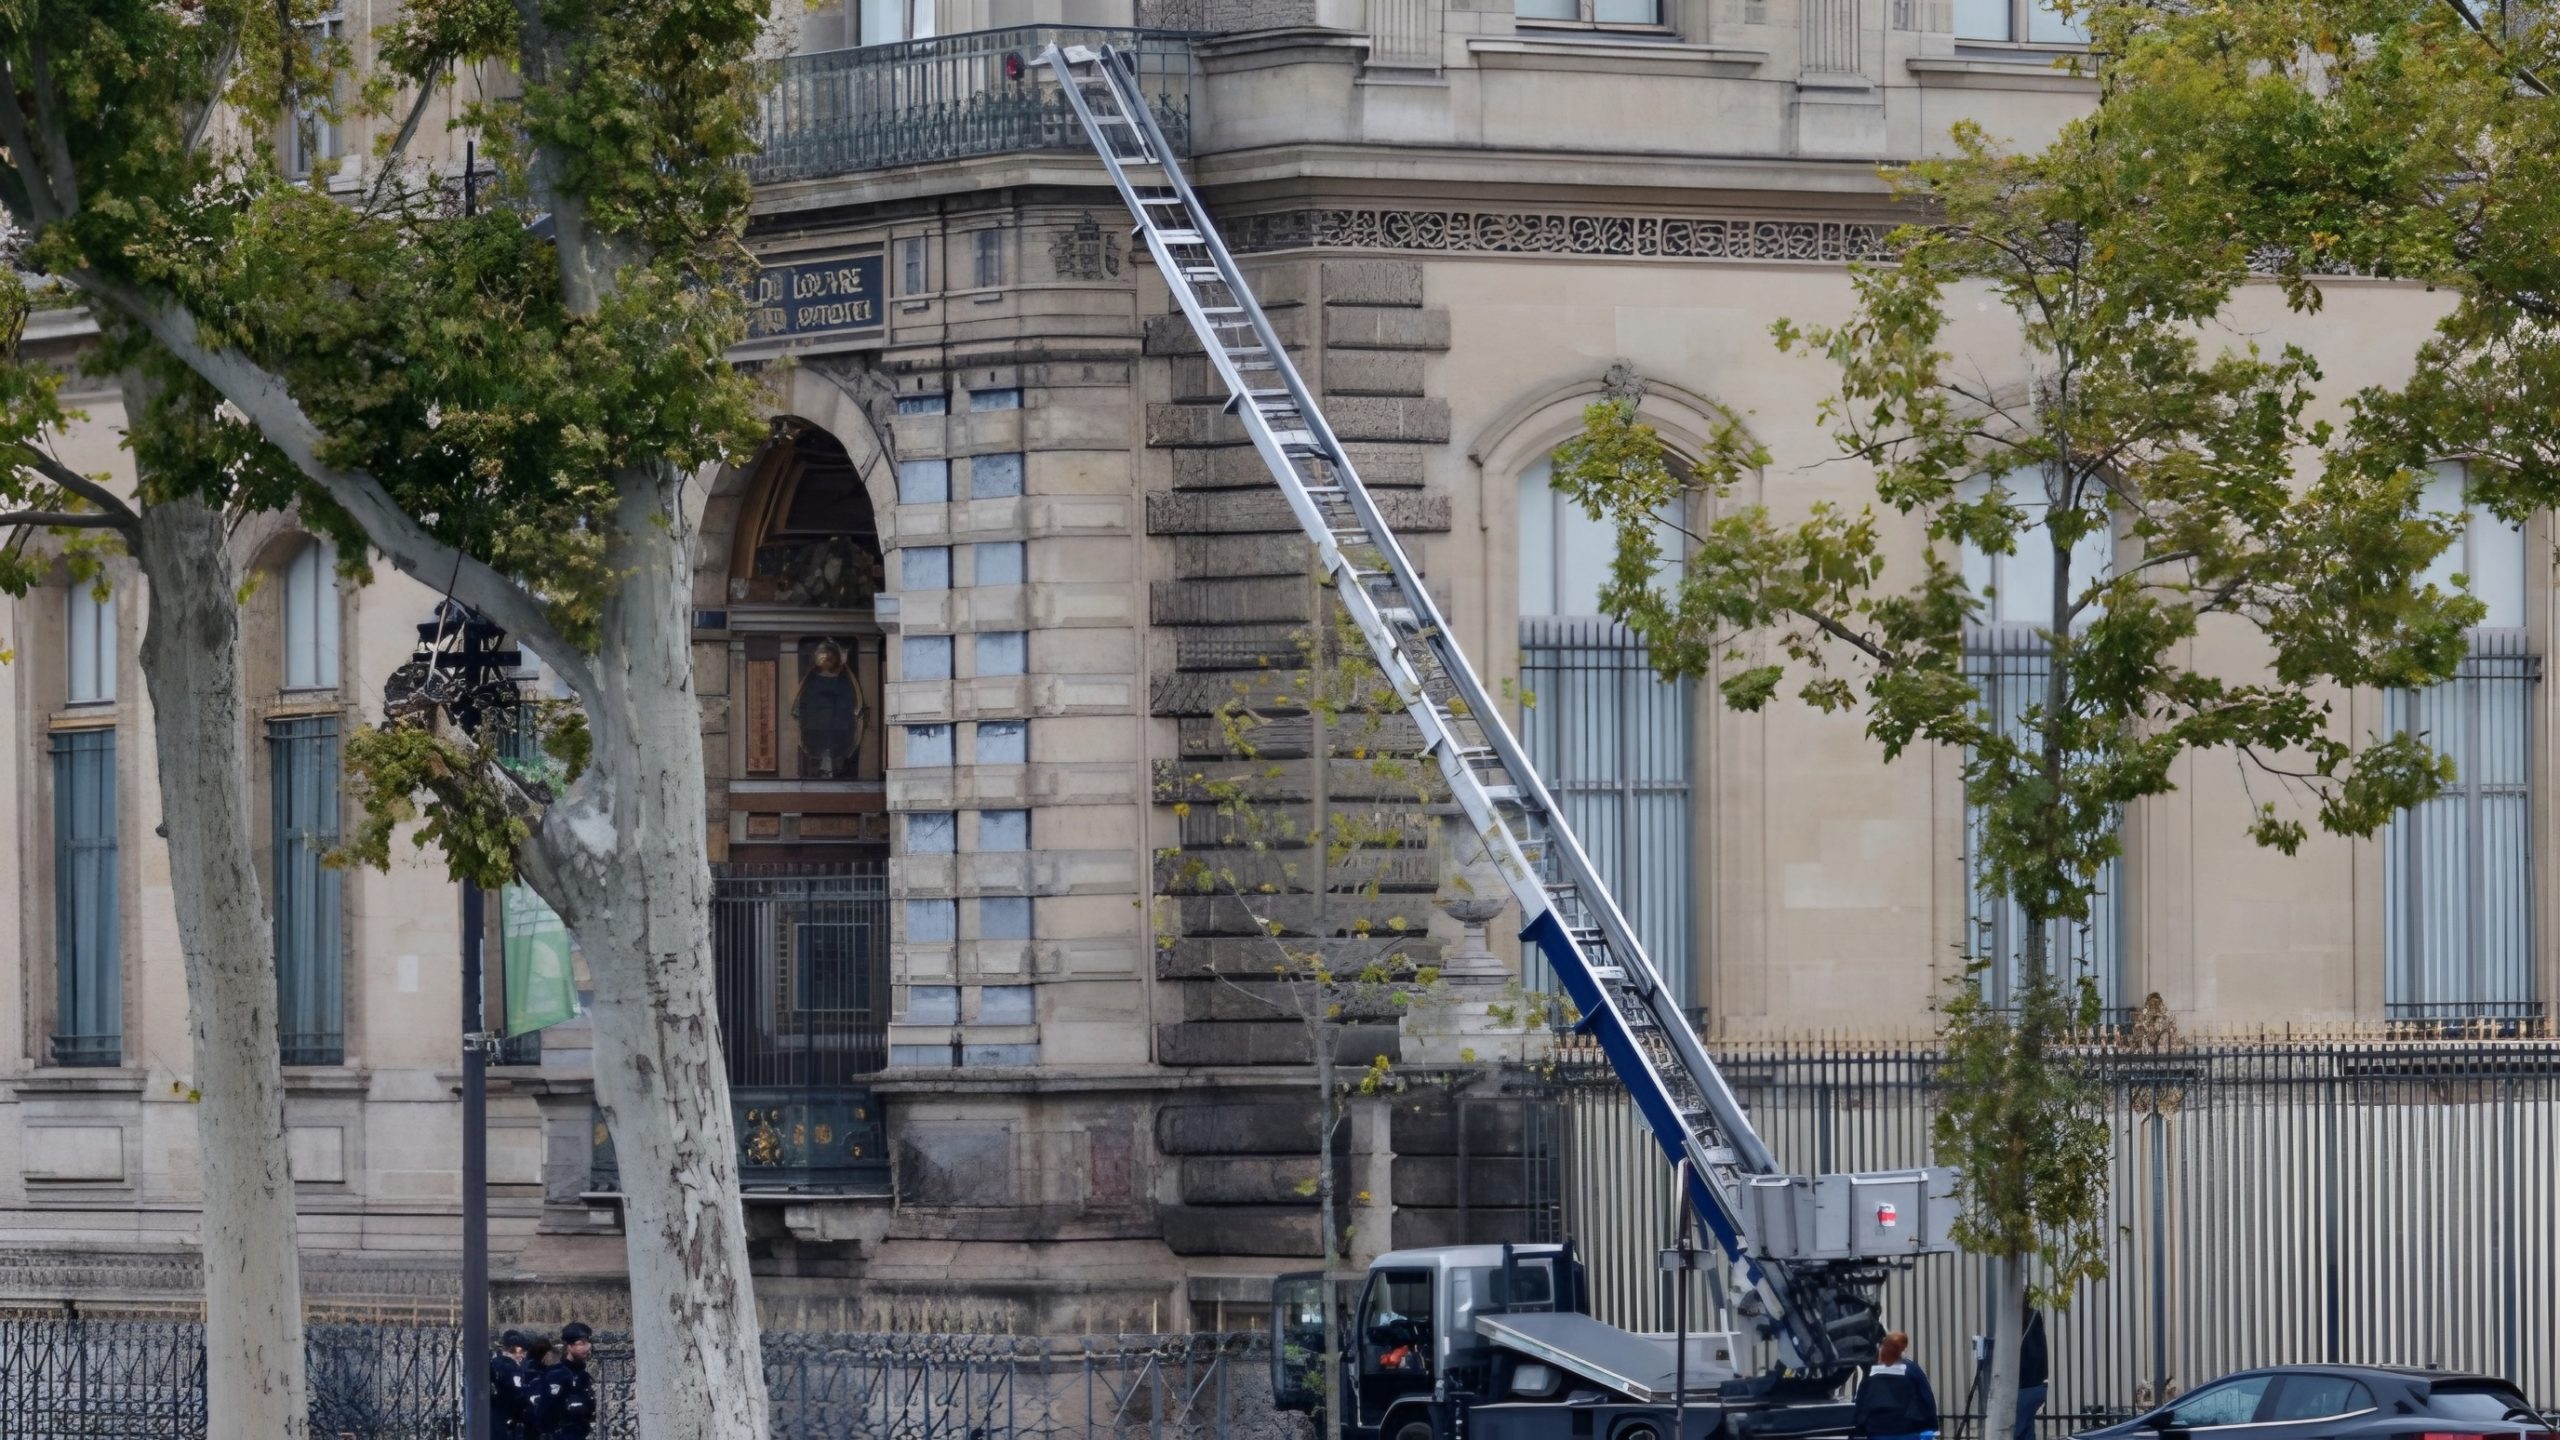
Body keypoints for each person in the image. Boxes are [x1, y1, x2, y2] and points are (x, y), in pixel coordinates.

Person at [1853, 1331, 1941, 1440]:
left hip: (1878, 1430)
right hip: (1909, 1430)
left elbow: (1861, 1402)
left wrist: (1859, 1429)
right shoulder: (1912, 1370)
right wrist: (1932, 1427)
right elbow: (1926, 1399)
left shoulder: (1872, 1373)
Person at [531, 1322, 597, 1439]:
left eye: (588, 1342)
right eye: (581, 1343)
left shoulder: (584, 1376)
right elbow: (544, 1413)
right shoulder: (556, 1376)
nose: (588, 1346)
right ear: (568, 1346)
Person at [490, 1330, 533, 1440]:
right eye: (520, 1351)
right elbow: (516, 1394)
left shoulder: (496, 1363)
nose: (522, 1355)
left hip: (503, 1418)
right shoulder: (508, 1367)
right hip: (505, 1418)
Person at [2015, 1308, 2049, 1440]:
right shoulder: (2035, 1318)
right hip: (2037, 1385)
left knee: (2018, 1429)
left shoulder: (2025, 1322)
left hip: (2024, 1385)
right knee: (2026, 1429)